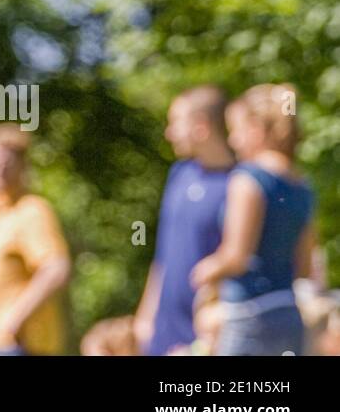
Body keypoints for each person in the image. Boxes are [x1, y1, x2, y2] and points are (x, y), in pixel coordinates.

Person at [191, 83, 315, 356]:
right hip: (289, 315)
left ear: (256, 129)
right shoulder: (301, 185)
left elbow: (236, 256)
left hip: (249, 317)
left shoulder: (248, 178)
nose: (233, 141)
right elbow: (305, 267)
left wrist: (206, 270)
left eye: (236, 130)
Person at [133, 85, 234, 356]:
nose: (169, 133)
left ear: (200, 126)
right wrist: (145, 317)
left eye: (175, 123)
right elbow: (163, 255)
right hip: (162, 333)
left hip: (207, 336)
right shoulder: (179, 174)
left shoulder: (239, 185)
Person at [0, 124, 71, 355]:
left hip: (24, 346)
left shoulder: (32, 211)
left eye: (6, 163)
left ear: (23, 165)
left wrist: (14, 319)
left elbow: (56, 269)